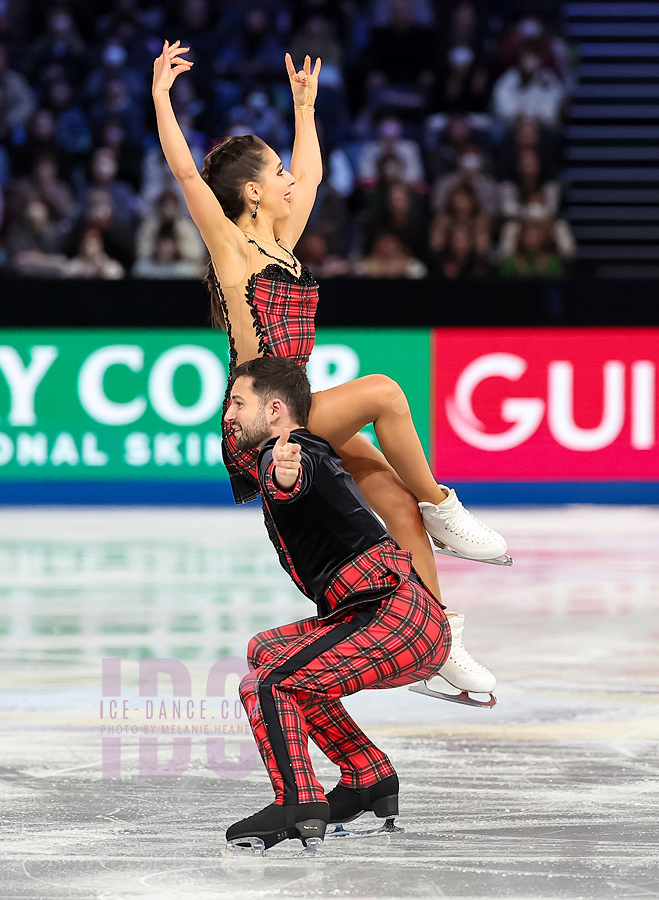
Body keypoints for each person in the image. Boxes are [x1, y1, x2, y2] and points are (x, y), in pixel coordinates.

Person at [152, 41, 506, 702]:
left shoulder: (280, 247)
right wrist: (160, 96)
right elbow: (185, 175)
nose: (292, 179)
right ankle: (443, 506)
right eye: (277, 171)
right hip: (262, 419)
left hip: (300, 410)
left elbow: (313, 180)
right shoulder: (232, 247)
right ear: (252, 192)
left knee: (391, 502)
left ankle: (437, 638)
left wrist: (305, 109)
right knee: (381, 392)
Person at [222, 355, 452, 853]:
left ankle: (298, 801)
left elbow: (294, 479)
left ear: (277, 408)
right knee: (265, 649)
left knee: (268, 683)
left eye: (238, 402)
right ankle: (367, 775)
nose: (229, 415)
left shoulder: (290, 451)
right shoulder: (297, 449)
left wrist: (284, 478)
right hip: (392, 616)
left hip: (394, 618)